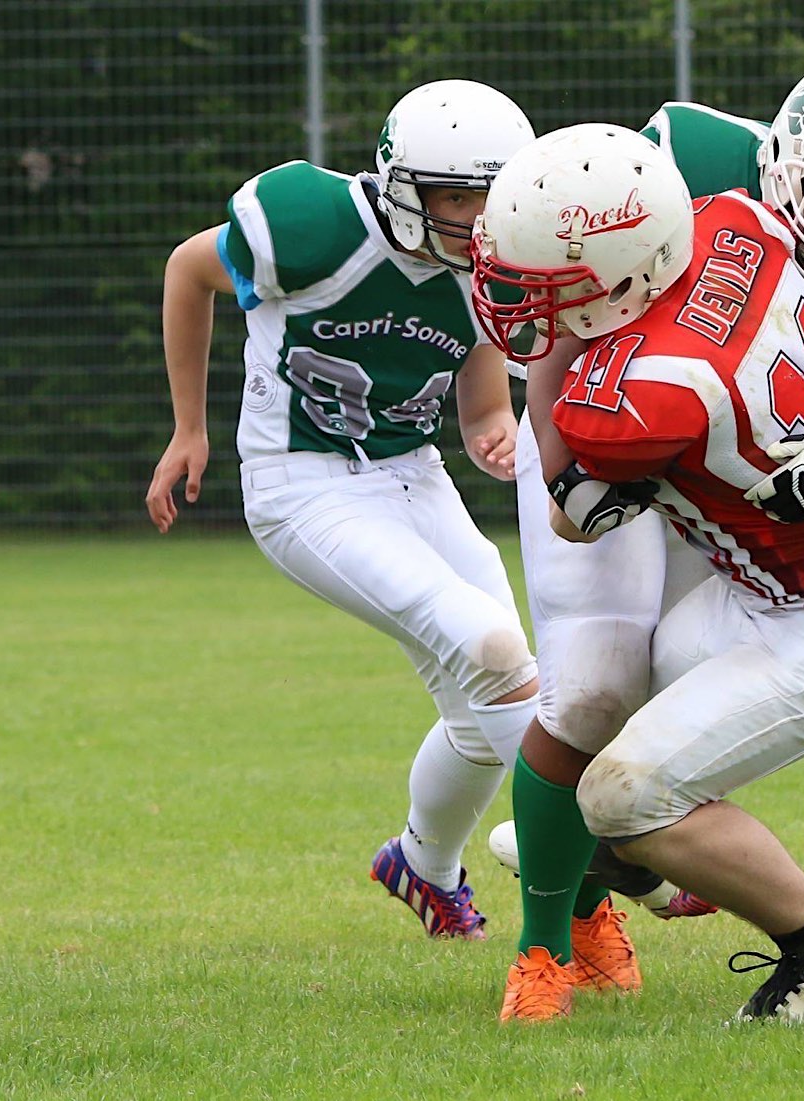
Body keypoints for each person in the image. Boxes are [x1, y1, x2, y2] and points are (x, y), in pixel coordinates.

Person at [486, 53, 804, 1017]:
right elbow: (580, 290)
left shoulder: (731, 225)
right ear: (784, 166)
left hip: (798, 565)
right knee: (598, 701)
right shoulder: (707, 186)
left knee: (621, 794)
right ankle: (570, 917)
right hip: (736, 528)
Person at [145, 79, 540, 942]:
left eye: (490, 200)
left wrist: (492, 427)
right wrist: (188, 425)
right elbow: (188, 269)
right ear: (402, 185)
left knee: (489, 703)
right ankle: (619, 862)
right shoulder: (313, 225)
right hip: (303, 482)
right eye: (455, 198)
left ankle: (421, 865)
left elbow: (479, 391)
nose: (476, 222)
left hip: (414, 474)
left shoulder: (496, 264)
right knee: (496, 652)